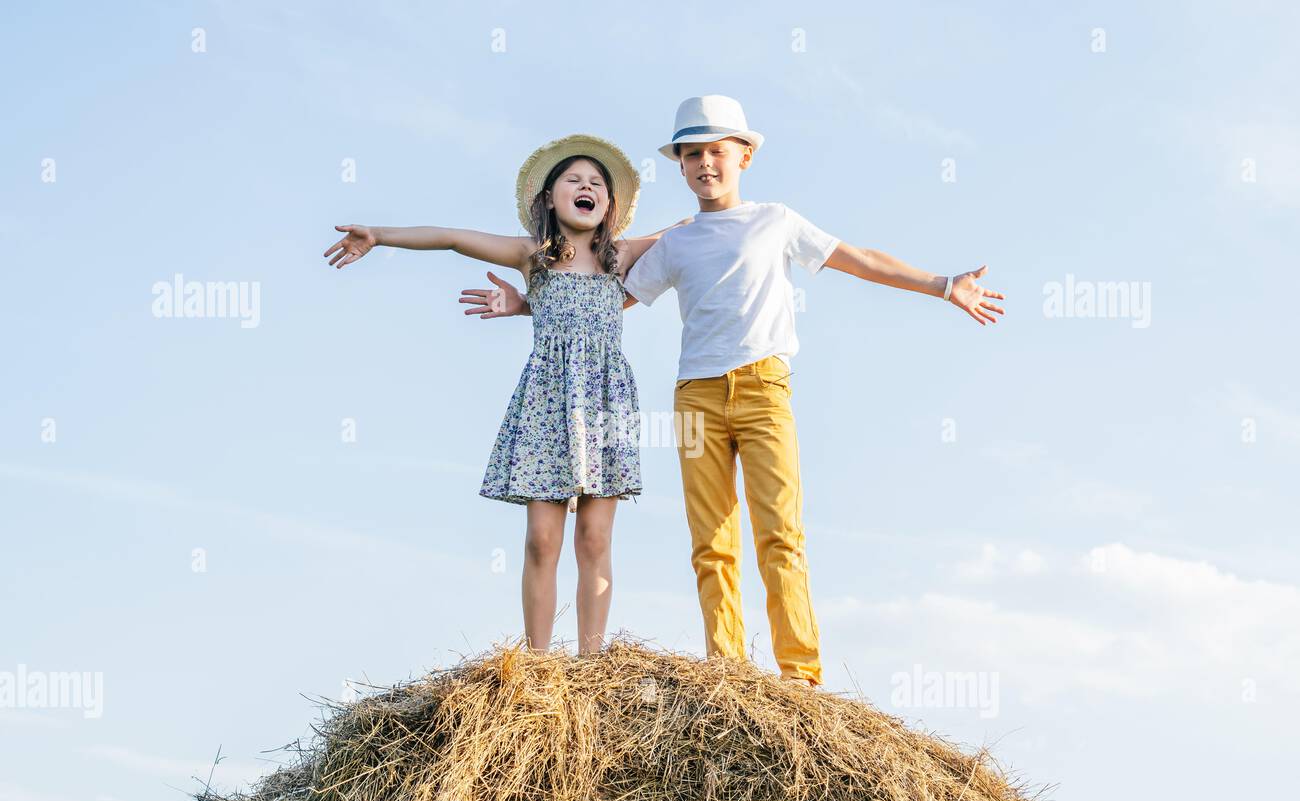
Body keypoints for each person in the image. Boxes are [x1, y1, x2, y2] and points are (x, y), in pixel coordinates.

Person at [460, 96, 1005, 687]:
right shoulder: (676, 242)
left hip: (764, 388)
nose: (705, 164)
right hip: (695, 396)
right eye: (692, 154)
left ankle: (799, 677)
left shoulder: (776, 220)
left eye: (717, 151)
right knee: (711, 543)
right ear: (681, 166)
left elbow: (860, 259)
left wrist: (944, 285)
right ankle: (729, 672)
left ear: (743, 155)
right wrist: (523, 305)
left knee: (779, 533)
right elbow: (592, 302)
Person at [325, 134, 683, 655]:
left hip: (605, 402)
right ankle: (537, 662)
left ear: (609, 204)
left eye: (597, 184)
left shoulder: (622, 256)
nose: (587, 188)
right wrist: (379, 234)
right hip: (546, 402)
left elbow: (690, 230)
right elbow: (450, 237)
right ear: (548, 200)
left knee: (596, 538)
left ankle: (591, 663)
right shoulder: (531, 256)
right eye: (574, 181)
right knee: (543, 538)